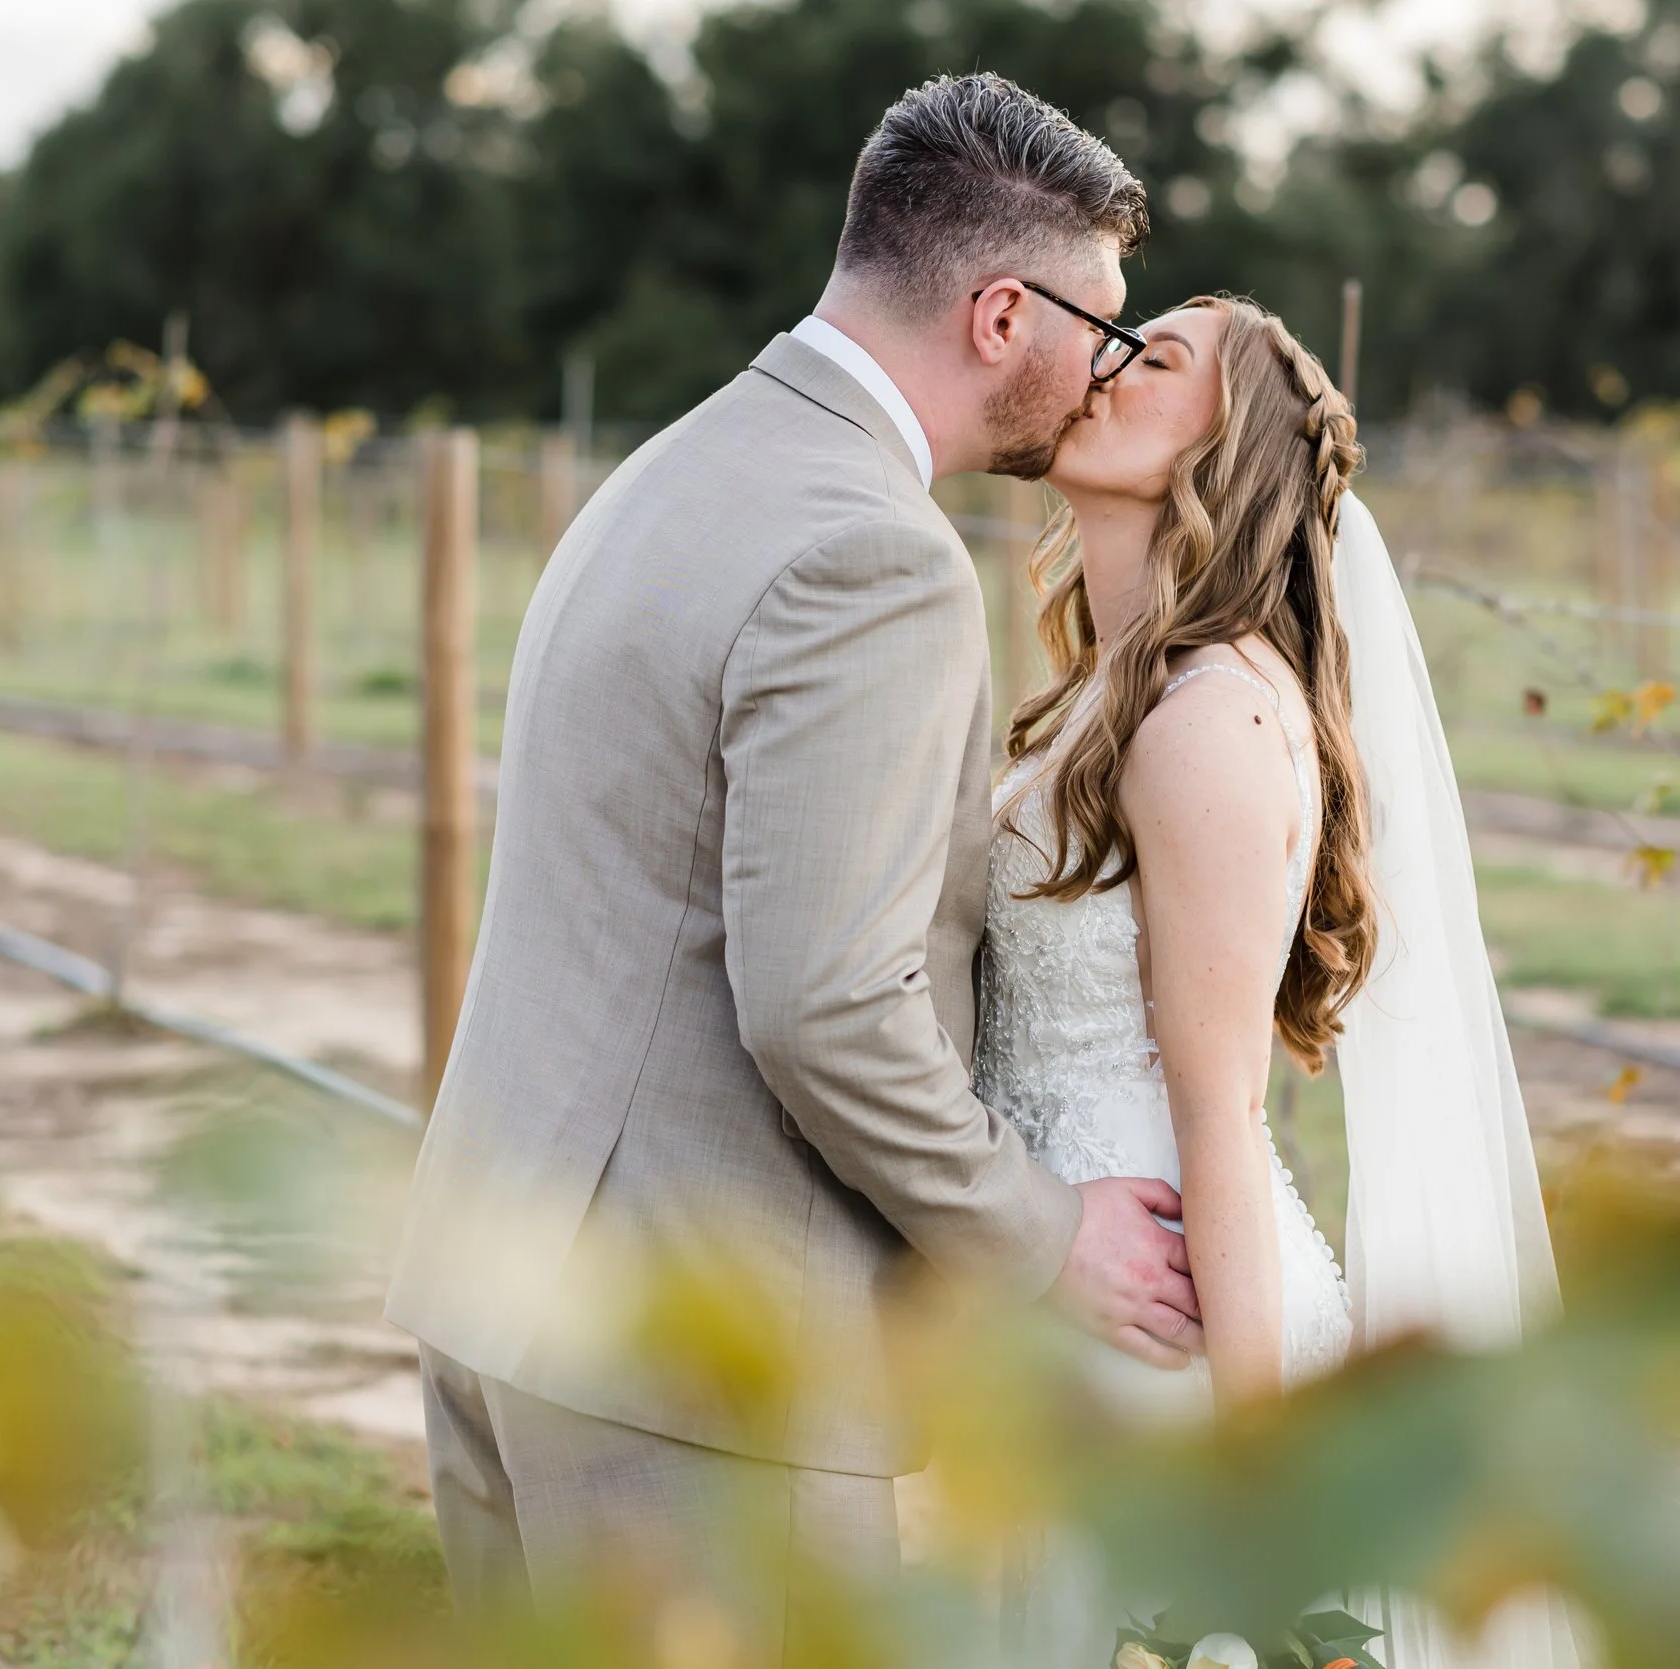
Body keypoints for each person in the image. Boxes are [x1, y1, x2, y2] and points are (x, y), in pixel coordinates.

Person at [382, 73, 1204, 1653]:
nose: (1108, 367)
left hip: (507, 1284)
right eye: (1102, 327)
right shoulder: (871, 553)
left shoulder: (677, 465)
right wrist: (1045, 1236)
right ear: (1001, 316)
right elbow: (825, 1004)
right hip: (693, 1360)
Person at [978, 294, 1590, 1667]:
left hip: (1173, 1336)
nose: (1103, 367)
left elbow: (1223, 1115)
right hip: (1074, 1312)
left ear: (1230, 450)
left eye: (1156, 359)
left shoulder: (1212, 717)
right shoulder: (1116, 692)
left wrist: (1248, 1526)